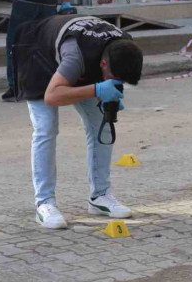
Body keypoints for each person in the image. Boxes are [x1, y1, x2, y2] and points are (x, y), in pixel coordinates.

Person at [12, 15, 144, 229]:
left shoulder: (123, 46)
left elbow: (109, 76)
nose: (116, 84)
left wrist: (108, 95)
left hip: (73, 58)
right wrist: (97, 89)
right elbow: (52, 96)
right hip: (37, 54)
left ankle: (100, 197)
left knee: (103, 123)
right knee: (46, 129)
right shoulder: (77, 56)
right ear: (103, 64)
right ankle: (44, 204)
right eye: (113, 79)